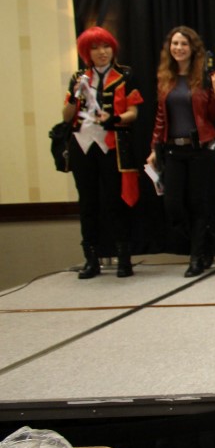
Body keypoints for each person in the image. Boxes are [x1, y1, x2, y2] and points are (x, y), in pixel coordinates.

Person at [63, 26, 143, 278]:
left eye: (106, 46)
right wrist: (75, 96)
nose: (102, 52)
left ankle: (123, 258)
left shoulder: (125, 75)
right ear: (86, 52)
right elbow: (66, 116)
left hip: (111, 145)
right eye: (95, 48)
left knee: (115, 201)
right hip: (82, 144)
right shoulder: (79, 77)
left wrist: (114, 118)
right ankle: (91, 258)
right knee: (87, 203)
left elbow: (133, 113)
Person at [147, 26, 215, 277]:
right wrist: (154, 148)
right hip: (173, 149)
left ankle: (196, 257)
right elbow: (161, 116)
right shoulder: (166, 77)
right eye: (175, 44)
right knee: (173, 206)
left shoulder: (204, 76)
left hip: (200, 149)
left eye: (183, 44)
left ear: (193, 48)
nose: (178, 48)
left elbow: (213, 116)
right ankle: (204, 241)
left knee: (197, 203)